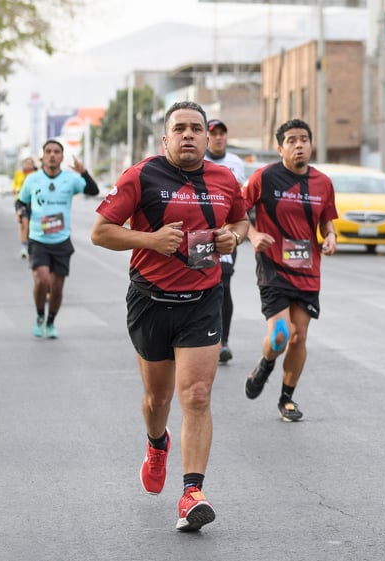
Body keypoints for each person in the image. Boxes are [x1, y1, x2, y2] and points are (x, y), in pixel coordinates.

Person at [90, 101, 249, 532]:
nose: (189, 135)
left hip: (202, 299)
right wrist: (152, 239)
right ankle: (156, 444)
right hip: (150, 301)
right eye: (179, 128)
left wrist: (233, 237)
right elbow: (100, 231)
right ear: (165, 139)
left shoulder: (224, 178)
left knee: (196, 395)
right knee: (157, 400)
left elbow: (240, 219)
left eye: (196, 128)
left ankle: (191, 493)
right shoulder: (140, 176)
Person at [243, 118, 338, 422]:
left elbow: (326, 220)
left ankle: (287, 398)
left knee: (299, 337)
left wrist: (331, 236)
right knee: (282, 334)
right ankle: (266, 364)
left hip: (307, 268)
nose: (299, 145)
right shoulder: (265, 177)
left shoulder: (323, 182)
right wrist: (254, 235)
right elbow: (238, 210)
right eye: (292, 140)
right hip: (273, 266)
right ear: (280, 147)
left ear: (311, 144)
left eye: (304, 140)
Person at [17, 140, 99, 339]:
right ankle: (39, 316)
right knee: (42, 279)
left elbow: (93, 191)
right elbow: (21, 201)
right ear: (43, 156)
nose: (52, 155)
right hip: (38, 239)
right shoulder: (32, 180)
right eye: (48, 151)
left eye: (56, 152)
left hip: (61, 240)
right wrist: (20, 211)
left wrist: (84, 172)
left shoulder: (70, 180)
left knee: (57, 286)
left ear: (62, 157)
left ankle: (51, 321)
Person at [204, 118, 247, 364]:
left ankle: (223, 341)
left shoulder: (235, 163)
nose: (219, 137)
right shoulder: (199, 160)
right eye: (214, 133)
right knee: (201, 283)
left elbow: (237, 200)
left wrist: (236, 233)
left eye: (222, 133)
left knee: (223, 285)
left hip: (226, 233)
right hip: (200, 234)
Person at [13, 157, 37, 258]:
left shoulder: (36, 174)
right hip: (21, 201)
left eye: (30, 164)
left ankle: (31, 244)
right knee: (24, 224)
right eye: (26, 163)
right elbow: (14, 185)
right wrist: (15, 189)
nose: (28, 165)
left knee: (32, 225)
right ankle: (23, 246)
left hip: (33, 201)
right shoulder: (19, 173)